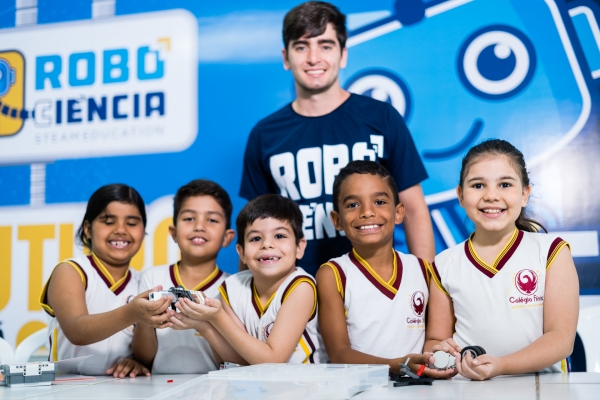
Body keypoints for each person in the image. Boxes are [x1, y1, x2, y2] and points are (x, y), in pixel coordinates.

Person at [239, 1, 433, 275]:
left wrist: (426, 285)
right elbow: (254, 226)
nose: (313, 58)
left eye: (325, 46)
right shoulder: (264, 134)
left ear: (343, 54)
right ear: (286, 57)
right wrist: (245, 293)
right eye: (301, 47)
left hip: (376, 284)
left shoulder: (382, 118)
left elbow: (412, 210)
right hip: (293, 288)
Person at [424, 139, 579, 380]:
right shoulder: (444, 264)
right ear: (461, 195)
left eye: (505, 184)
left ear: (524, 194)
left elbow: (561, 339)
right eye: (478, 185)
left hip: (542, 389)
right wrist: (438, 351)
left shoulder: (551, 251)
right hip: (468, 389)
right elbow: (435, 340)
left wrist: (501, 365)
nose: (491, 196)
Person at [316, 160, 453, 377]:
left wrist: (437, 356)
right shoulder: (333, 274)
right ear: (337, 220)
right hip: (358, 389)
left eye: (379, 202)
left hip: (418, 389)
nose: (367, 212)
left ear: (398, 213)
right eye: (352, 205)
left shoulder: (422, 269)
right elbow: (339, 354)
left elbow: (435, 338)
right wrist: (397, 365)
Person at [170, 194, 327, 364]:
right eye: (255, 238)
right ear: (242, 252)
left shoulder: (301, 287)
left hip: (305, 381)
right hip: (260, 381)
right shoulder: (231, 288)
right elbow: (241, 362)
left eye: (279, 236)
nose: (267, 244)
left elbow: (272, 361)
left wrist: (218, 317)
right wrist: (204, 325)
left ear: (299, 247)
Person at [39, 184, 173, 377]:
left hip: (123, 387)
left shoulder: (143, 282)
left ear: (143, 232)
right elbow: (77, 331)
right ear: (87, 229)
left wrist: (136, 361)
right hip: (64, 386)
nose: (121, 230)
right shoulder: (71, 271)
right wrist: (132, 313)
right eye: (108, 222)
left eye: (132, 223)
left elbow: (147, 356)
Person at [132, 180, 235, 373]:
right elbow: (143, 358)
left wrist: (207, 324)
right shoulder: (153, 278)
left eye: (212, 220)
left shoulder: (233, 287)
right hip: (158, 387)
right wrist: (144, 320)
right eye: (189, 218)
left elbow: (234, 362)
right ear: (173, 233)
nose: (199, 226)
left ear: (227, 237)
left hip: (216, 388)